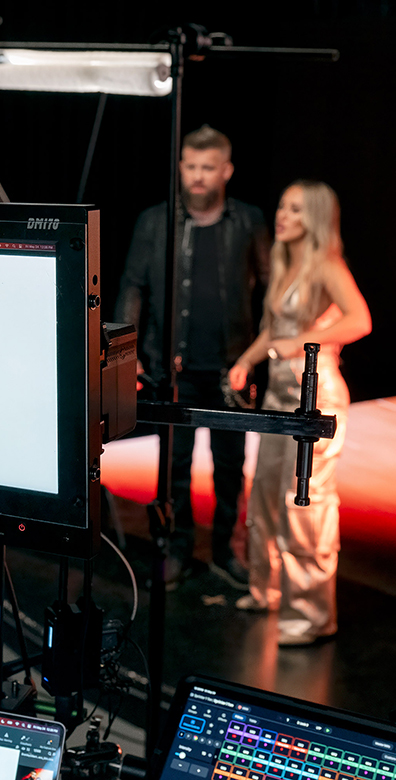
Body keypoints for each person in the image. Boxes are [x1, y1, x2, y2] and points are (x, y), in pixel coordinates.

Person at [114, 124, 270, 589]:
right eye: (191, 166)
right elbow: (132, 286)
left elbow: (269, 287)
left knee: (230, 465)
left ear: (226, 170)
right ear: (181, 167)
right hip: (172, 369)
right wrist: (129, 352)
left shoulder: (248, 221)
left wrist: (265, 350)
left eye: (207, 167)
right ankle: (176, 550)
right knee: (174, 467)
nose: (198, 176)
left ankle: (226, 549)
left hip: (231, 369)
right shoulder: (155, 221)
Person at [228, 180, 371, 646]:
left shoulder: (327, 265)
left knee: (303, 501)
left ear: (315, 217)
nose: (281, 216)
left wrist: (307, 340)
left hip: (317, 395)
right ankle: (265, 589)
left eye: (295, 209)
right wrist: (246, 361)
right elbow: (272, 330)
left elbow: (360, 320)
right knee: (266, 490)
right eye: (282, 206)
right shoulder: (286, 264)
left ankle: (310, 615)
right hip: (278, 397)